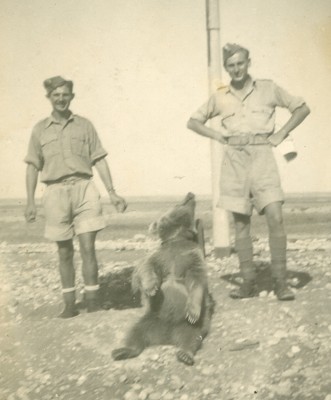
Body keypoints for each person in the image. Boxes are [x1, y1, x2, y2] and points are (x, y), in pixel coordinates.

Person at [187, 44, 310, 301]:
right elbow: (193, 121)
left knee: (275, 216)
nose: (236, 69)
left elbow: (301, 108)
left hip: (262, 157)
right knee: (241, 224)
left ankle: (281, 282)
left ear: (248, 62)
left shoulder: (268, 88)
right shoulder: (220, 95)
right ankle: (248, 282)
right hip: (234, 160)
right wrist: (219, 136)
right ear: (226, 68)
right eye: (231, 65)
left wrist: (281, 133)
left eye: (240, 63)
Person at [24, 76, 127, 318]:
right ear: (49, 98)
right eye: (56, 95)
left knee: (88, 246)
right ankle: (69, 303)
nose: (61, 99)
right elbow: (31, 166)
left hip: (84, 189)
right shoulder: (39, 129)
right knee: (64, 251)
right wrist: (30, 202)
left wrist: (112, 193)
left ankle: (92, 300)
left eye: (65, 94)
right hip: (55, 193)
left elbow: (99, 159)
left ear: (72, 96)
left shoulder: (85, 125)